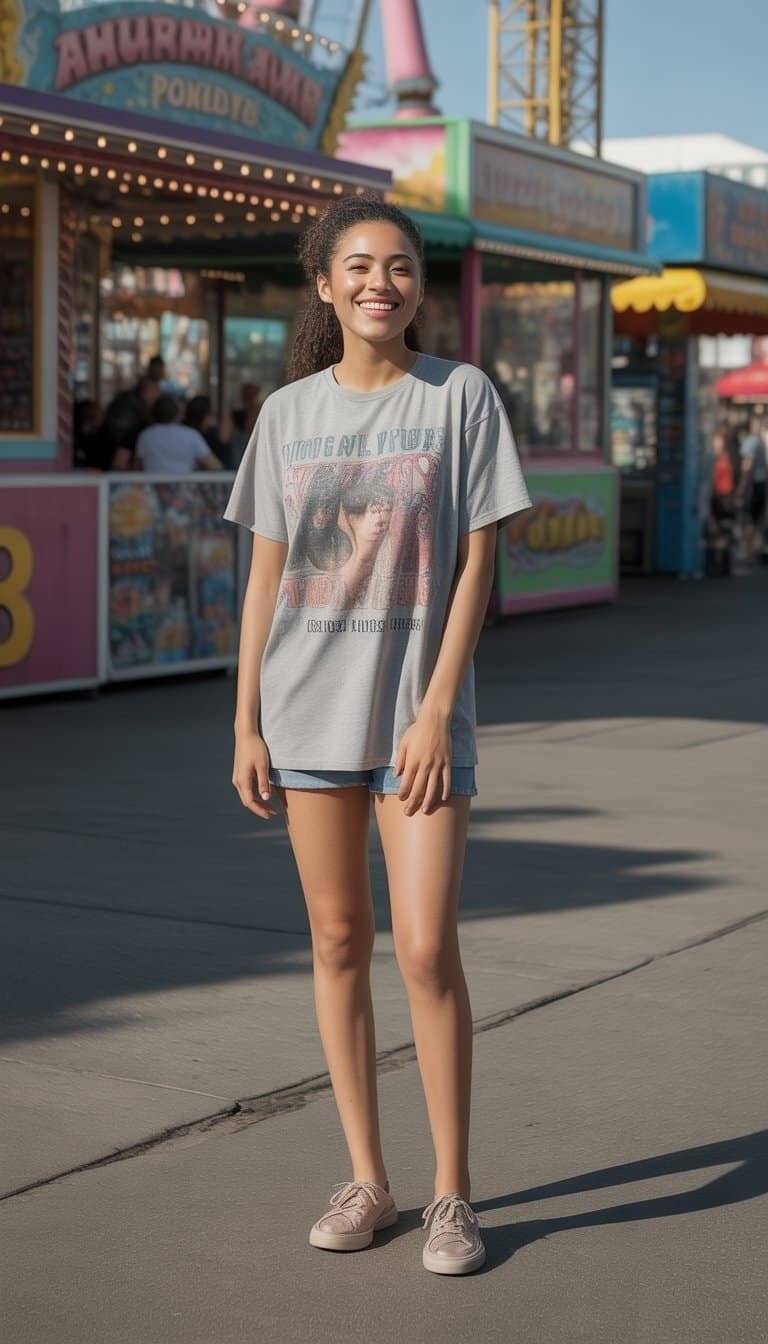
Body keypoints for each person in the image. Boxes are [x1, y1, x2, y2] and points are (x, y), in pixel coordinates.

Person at [222, 195, 532, 1276]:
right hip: (305, 712)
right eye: (358, 266)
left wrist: (440, 705)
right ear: (323, 283)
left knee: (425, 948)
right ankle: (370, 1180)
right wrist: (245, 717)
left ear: (417, 287)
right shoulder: (288, 416)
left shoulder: (460, 397)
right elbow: (264, 577)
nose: (379, 284)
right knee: (339, 943)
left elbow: (479, 561)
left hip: (416, 722)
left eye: (398, 268)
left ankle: (452, 1196)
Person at [135, 394, 223, 472]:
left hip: (152, 489)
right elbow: (215, 466)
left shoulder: (146, 435)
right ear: (178, 415)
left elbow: (137, 467)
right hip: (183, 488)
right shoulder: (191, 435)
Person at [737, 415, 767, 562]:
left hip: (753, 486)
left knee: (748, 518)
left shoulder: (751, 442)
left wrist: (741, 488)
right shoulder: (761, 442)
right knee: (757, 519)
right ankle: (756, 548)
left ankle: (744, 550)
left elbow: (746, 467)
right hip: (762, 484)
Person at [184, 394, 237, 469]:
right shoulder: (195, 436)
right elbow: (217, 467)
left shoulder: (189, 433)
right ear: (206, 415)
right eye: (213, 415)